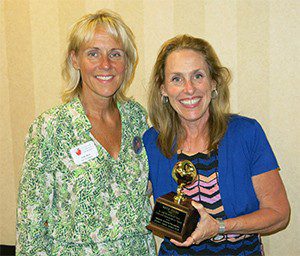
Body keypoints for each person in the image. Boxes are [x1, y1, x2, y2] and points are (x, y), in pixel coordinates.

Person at [16, 9, 155, 255]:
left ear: (127, 62)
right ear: (75, 60)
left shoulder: (136, 117)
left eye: (115, 54)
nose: (106, 65)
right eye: (93, 53)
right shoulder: (50, 128)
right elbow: (31, 224)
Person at [143, 34, 290, 255]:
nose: (189, 89)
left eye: (198, 76)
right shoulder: (151, 142)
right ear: (163, 89)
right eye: (176, 79)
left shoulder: (246, 134)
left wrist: (219, 227)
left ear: (213, 82)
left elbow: (279, 214)